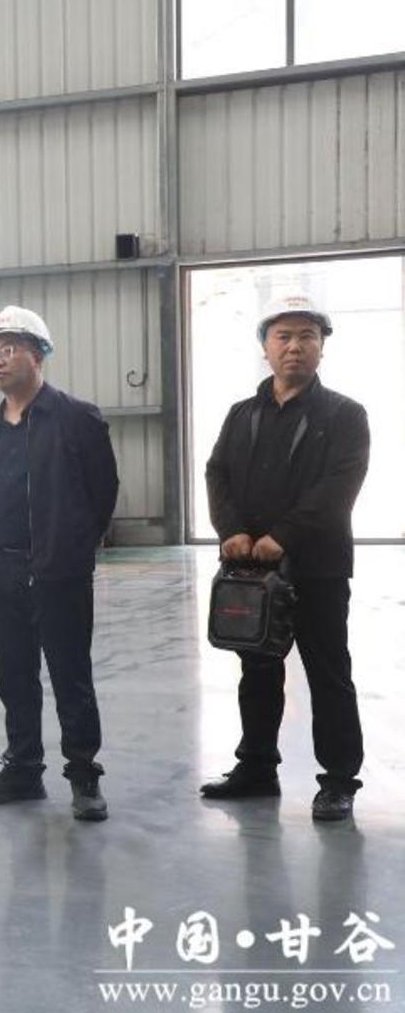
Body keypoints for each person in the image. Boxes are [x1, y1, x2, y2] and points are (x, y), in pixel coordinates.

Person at [201, 296, 369, 822]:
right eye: (283, 336)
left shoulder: (344, 415)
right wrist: (231, 530)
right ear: (266, 348)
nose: (294, 346)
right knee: (257, 670)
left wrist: (285, 536)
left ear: (322, 348)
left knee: (328, 671)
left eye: (306, 336)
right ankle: (256, 768)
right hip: (253, 571)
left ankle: (338, 780)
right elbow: (217, 473)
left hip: (318, 568)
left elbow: (340, 483)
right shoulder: (242, 414)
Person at [0, 305, 118, 823]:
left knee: (70, 675)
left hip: (58, 572)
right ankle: (23, 768)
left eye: (8, 349)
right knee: (14, 675)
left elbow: (103, 491)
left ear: (38, 355)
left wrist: (71, 548)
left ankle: (83, 775)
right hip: (2, 570)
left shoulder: (76, 417)